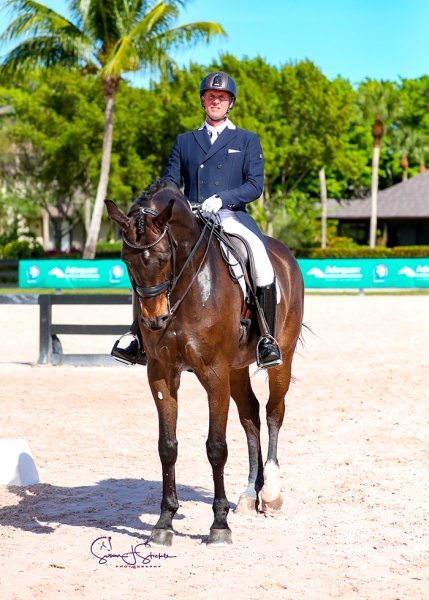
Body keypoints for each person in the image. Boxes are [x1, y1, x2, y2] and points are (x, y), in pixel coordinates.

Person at [111, 71, 281, 368]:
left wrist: (222, 199)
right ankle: (135, 335)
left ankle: (266, 338)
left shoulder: (247, 140)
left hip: (231, 215)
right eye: (211, 96)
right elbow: (169, 182)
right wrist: (181, 204)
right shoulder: (185, 141)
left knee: (259, 257)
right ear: (203, 100)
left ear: (231, 103)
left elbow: (255, 185)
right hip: (191, 217)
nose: (216, 101)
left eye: (222, 97)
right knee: (151, 262)